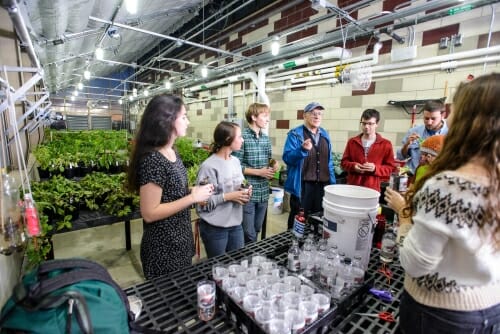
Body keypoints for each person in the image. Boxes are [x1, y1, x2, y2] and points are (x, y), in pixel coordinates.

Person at [395, 73, 500, 333]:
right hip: (490, 308)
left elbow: (415, 263)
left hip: (440, 315)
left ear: (467, 119)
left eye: (453, 108)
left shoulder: (448, 186)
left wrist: (404, 217)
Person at [127, 95, 213, 280]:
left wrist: (194, 191)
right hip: (163, 249)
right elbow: (150, 213)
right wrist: (191, 198)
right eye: (183, 117)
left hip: (180, 240)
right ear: (166, 120)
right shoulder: (154, 160)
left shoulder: (172, 152)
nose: (187, 121)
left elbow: (172, 192)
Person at [196, 121, 252, 258]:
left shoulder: (236, 162)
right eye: (239, 137)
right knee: (217, 267)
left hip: (236, 224)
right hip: (215, 228)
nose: (242, 140)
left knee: (237, 264)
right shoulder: (209, 166)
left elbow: (238, 187)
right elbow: (202, 203)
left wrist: (245, 191)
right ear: (228, 139)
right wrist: (228, 196)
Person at [282, 102, 336, 231]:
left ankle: (312, 247)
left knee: (317, 219)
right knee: (298, 219)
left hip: (322, 185)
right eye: (313, 113)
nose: (317, 117)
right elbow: (287, 158)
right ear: (304, 116)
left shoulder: (325, 135)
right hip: (303, 186)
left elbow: (328, 161)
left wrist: (332, 185)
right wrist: (302, 150)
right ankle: (293, 245)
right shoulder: (295, 134)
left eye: (319, 114)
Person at [233, 103, 278, 244]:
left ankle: (250, 256)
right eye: (264, 116)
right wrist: (259, 172)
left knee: (257, 228)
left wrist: (274, 164)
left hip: (263, 192)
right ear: (253, 117)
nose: (267, 119)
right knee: (248, 232)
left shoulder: (265, 138)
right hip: (248, 193)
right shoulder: (242, 138)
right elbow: (235, 166)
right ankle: (245, 259)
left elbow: (269, 158)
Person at [340, 108, 396, 192]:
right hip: (352, 187)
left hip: (372, 189)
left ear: (377, 124)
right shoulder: (352, 142)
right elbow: (343, 163)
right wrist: (353, 166)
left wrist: (375, 169)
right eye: (364, 123)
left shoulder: (386, 144)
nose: (366, 127)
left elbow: (391, 168)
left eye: (370, 124)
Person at [397, 100, 448, 175]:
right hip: (411, 174)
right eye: (426, 118)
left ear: (443, 115)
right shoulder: (413, 131)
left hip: (436, 177)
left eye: (433, 119)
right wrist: (406, 145)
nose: (429, 122)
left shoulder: (451, 134)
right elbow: (400, 157)